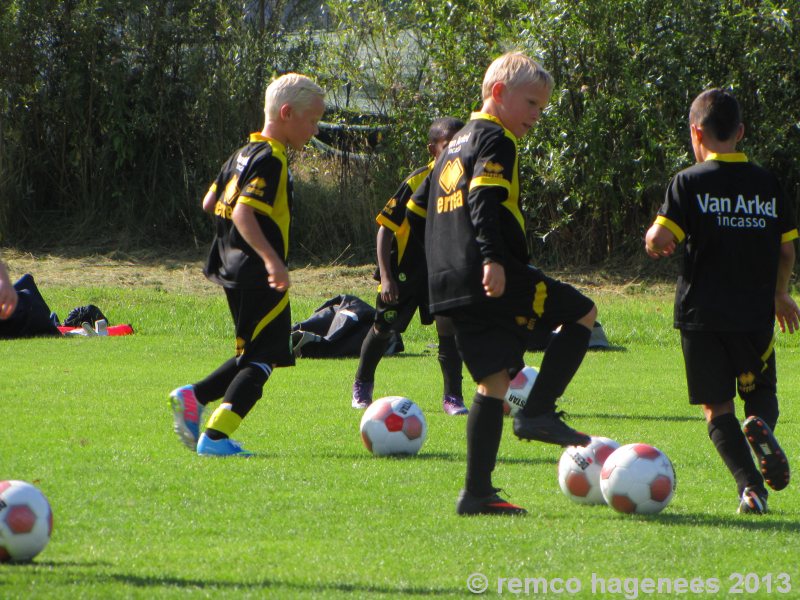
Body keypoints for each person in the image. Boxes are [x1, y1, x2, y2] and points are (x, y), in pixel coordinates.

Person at [413, 52, 596, 515]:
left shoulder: (452, 146)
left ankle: (476, 493)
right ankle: (537, 412)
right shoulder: (496, 138)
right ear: (498, 94)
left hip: (448, 282)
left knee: (492, 384)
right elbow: (483, 198)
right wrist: (494, 259)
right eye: (531, 103)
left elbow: (429, 217)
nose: (537, 115)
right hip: (490, 273)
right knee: (583, 313)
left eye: (542, 107)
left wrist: (434, 280)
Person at [645, 88, 797, 514]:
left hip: (702, 314)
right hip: (754, 313)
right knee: (760, 393)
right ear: (740, 132)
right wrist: (781, 293)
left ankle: (751, 489)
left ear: (696, 131)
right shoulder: (767, 182)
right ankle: (762, 426)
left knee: (717, 408)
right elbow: (787, 249)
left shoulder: (689, 182)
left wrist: (654, 241)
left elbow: (661, 238)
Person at [169, 73, 326, 457]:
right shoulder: (271, 158)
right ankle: (216, 438)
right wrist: (273, 261)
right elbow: (242, 212)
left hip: (231, 267)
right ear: (287, 114)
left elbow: (210, 203)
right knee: (265, 358)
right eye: (312, 120)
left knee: (254, 351)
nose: (315, 129)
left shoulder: (241, 153)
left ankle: (195, 396)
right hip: (258, 274)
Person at [352, 117, 469, 416]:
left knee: (448, 327)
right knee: (383, 328)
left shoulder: (465, 183)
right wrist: (387, 276)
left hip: (440, 272)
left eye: (460, 144)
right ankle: (362, 385)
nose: (455, 151)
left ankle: (453, 397)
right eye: (448, 145)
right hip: (404, 272)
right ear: (433, 149)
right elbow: (385, 229)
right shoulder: (416, 182)